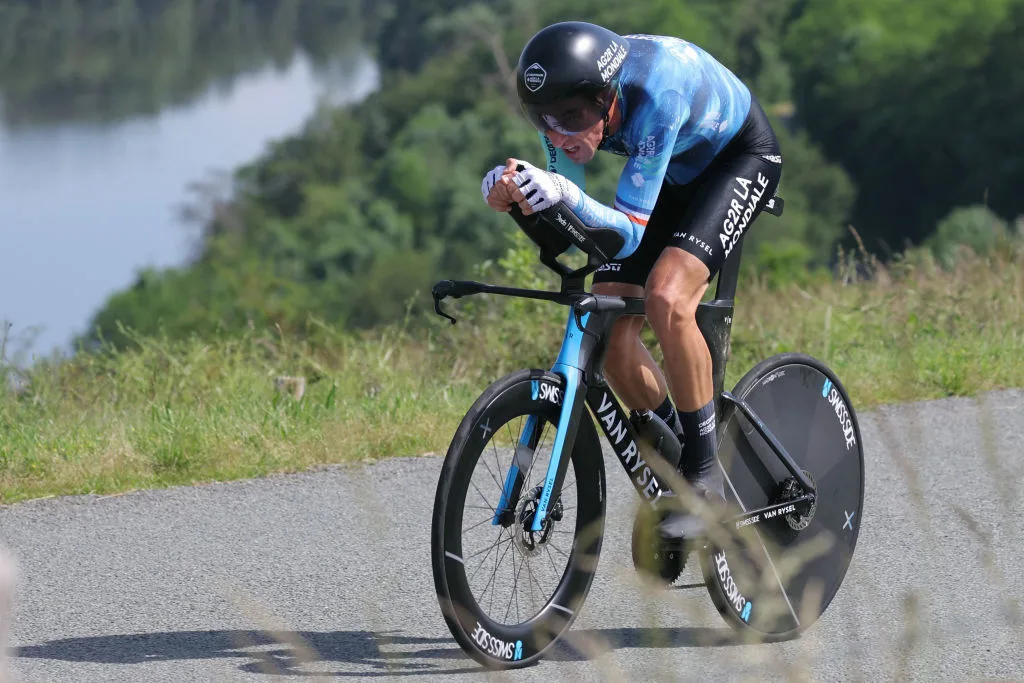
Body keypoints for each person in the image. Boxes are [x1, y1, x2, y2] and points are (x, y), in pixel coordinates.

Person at [481, 21, 783, 539]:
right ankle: (675, 442)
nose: (558, 135)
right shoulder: (564, 106)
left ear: (608, 96)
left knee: (668, 298)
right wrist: (520, 197)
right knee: (610, 332)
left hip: (738, 160)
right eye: (544, 121)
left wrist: (559, 190)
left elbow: (625, 234)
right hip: (670, 169)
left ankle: (705, 473)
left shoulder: (657, 96)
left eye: (572, 120)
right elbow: (572, 215)